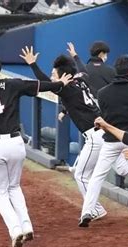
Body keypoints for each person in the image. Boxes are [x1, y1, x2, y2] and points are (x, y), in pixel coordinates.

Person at [0, 53, 71, 247]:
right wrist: (60, 83)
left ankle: (15, 229)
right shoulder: (12, 84)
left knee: (0, 192)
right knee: (14, 187)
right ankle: (26, 225)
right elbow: (42, 86)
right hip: (16, 144)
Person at [20, 45, 108, 221]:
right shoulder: (81, 80)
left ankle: (96, 209)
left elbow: (45, 83)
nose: (53, 77)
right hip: (105, 132)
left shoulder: (66, 88)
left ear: (63, 76)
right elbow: (82, 70)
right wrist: (75, 56)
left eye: (55, 74)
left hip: (95, 136)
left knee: (81, 175)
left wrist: (33, 65)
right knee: (120, 168)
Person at [80, 54, 128, 228]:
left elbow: (103, 116)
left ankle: (87, 211)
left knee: (97, 176)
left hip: (110, 139)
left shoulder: (103, 93)